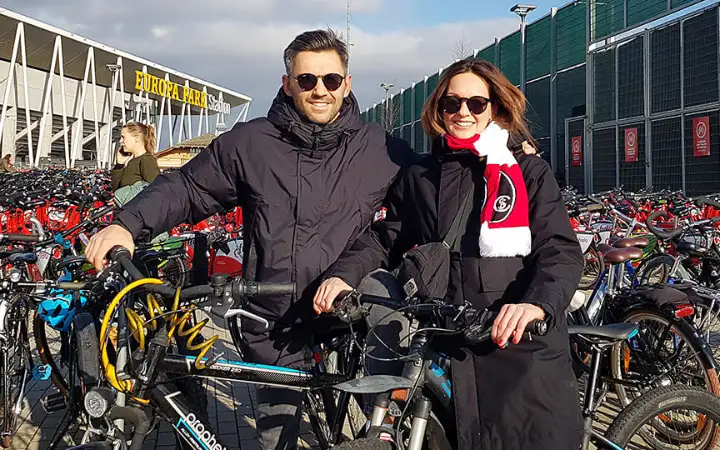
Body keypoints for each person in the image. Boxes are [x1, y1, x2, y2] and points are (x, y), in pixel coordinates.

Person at [85, 29, 414, 450]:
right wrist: (126, 224)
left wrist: (508, 151)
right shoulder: (250, 142)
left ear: (346, 84)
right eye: (306, 80)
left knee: (368, 429)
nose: (320, 90)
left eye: (331, 80)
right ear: (287, 83)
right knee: (278, 438)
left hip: (344, 317)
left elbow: (424, 202)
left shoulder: (381, 149)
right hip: (274, 322)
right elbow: (188, 188)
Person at [314, 57, 584, 449]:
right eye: (452, 103)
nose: (463, 112)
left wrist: (537, 305)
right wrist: (344, 274)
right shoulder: (421, 175)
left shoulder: (527, 172)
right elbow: (385, 237)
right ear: (438, 108)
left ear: (495, 107)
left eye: (476, 103)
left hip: (518, 344)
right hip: (448, 339)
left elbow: (559, 251)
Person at [110, 122, 160, 192]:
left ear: (136, 138)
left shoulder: (147, 160)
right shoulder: (132, 162)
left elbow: (156, 190)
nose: (121, 141)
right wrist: (119, 165)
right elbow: (116, 190)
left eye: (123, 137)